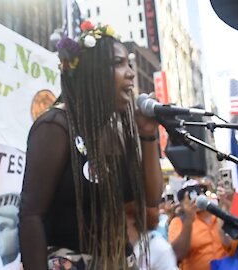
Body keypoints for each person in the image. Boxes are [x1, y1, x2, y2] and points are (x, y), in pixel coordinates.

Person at [18, 20, 163, 270]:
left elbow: (151, 198)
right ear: (92, 72)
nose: (130, 72)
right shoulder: (55, 126)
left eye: (129, 64)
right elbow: (31, 216)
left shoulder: (117, 132)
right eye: (118, 64)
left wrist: (148, 135)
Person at [168, 176, 232, 270]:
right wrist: (188, 221)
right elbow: (177, 254)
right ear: (181, 203)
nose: (194, 199)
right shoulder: (178, 223)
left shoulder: (218, 215)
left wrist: (225, 208)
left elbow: (235, 244)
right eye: (188, 196)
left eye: (197, 192)